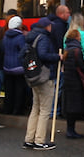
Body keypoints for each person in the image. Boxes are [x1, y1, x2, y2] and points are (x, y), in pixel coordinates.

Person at [23, 18, 60, 150]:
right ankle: (39, 140)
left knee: (35, 108)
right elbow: (43, 55)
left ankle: (29, 138)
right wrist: (57, 57)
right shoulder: (44, 38)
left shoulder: (30, 37)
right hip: (44, 76)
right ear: (47, 26)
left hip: (34, 76)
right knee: (45, 110)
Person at [60, 27, 84, 139]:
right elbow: (82, 66)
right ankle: (71, 130)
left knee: (70, 106)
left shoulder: (67, 49)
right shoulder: (77, 50)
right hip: (76, 81)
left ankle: (70, 129)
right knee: (75, 106)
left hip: (68, 80)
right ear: (77, 38)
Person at [1, 15, 30, 116]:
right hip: (18, 67)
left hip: (7, 66)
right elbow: (24, 50)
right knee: (19, 89)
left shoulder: (5, 36)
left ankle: (8, 108)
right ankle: (17, 110)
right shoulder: (20, 37)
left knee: (9, 90)